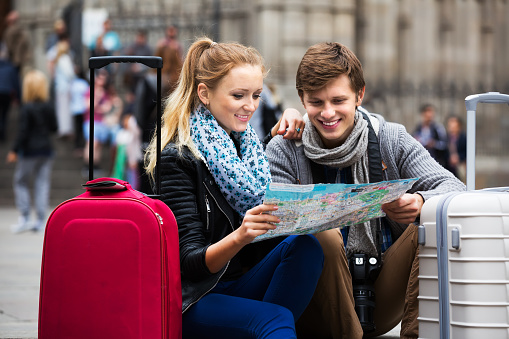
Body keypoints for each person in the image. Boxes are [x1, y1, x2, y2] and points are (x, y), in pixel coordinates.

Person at [265, 42, 466, 339]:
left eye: (338, 100)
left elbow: (456, 188)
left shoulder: (390, 138)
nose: (328, 113)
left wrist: (421, 201)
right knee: (320, 235)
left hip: (378, 298)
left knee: (434, 217)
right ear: (302, 99)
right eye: (316, 102)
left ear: (359, 95)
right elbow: (269, 232)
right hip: (310, 305)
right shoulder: (284, 147)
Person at [144, 37, 323, 339]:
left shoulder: (245, 147)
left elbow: (240, 178)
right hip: (197, 298)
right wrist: (241, 235)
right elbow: (190, 264)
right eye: (239, 95)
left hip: (237, 282)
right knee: (274, 320)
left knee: (306, 247)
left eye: (256, 95)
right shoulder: (176, 158)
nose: (250, 106)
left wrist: (291, 116)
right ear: (205, 93)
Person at [7, 70, 57, 233]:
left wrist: (14, 150)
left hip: (29, 151)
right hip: (46, 150)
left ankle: (25, 216)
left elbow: (23, 132)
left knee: (20, 181)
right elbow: (54, 127)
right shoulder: (48, 106)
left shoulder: (26, 108)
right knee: (42, 184)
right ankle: (41, 220)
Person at [412, 103, 449, 167]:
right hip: (422, 161)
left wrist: (434, 144)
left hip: (436, 161)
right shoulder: (418, 128)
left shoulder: (438, 128)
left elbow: (444, 145)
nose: (429, 115)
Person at [0, 42, 20, 142]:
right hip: (7, 93)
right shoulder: (11, 67)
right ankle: (2, 133)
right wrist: (18, 98)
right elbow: (16, 83)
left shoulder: (11, 67)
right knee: (4, 114)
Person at [445, 115, 467, 182]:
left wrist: (459, 158)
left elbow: (466, 152)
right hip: (447, 167)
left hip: (459, 167)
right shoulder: (445, 138)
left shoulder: (463, 138)